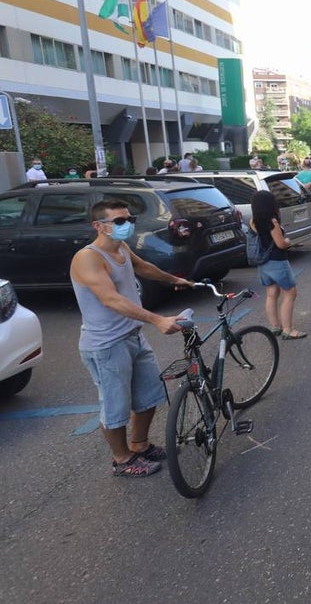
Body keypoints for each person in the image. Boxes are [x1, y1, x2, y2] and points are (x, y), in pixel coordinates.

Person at [69, 200, 194, 477]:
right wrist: (157, 319)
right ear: (98, 225)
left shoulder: (121, 248)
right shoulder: (88, 258)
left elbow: (143, 267)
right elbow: (111, 299)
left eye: (129, 220)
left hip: (133, 336)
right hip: (106, 345)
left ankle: (140, 445)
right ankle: (122, 459)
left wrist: (173, 279)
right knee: (115, 408)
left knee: (149, 395)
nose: (127, 225)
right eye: (119, 221)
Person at [250, 190, 305, 340]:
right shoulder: (272, 222)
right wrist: (288, 241)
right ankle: (288, 329)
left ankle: (275, 326)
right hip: (277, 261)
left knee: (271, 293)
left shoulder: (253, 221)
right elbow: (280, 244)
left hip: (263, 262)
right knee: (290, 293)